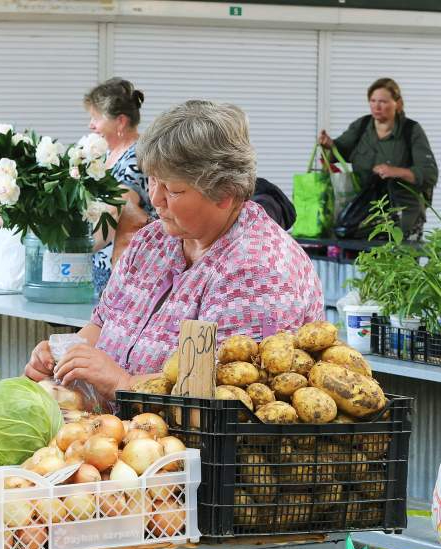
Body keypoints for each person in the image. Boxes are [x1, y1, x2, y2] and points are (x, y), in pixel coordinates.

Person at [25, 100, 324, 400]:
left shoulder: (258, 270)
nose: (155, 198)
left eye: (174, 190)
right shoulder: (152, 241)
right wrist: (65, 355)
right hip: (119, 433)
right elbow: (101, 324)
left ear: (225, 193)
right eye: (152, 180)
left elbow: (229, 394)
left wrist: (123, 383)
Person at [319, 78, 437, 240]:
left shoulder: (411, 131)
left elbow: (429, 173)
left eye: (383, 101)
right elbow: (336, 152)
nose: (377, 106)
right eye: (373, 101)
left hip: (403, 218)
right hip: (365, 215)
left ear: (397, 103)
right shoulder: (361, 126)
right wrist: (327, 145)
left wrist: (395, 171)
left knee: (399, 263)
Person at [83, 78, 156, 295]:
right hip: (102, 262)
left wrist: (79, 250)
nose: (91, 125)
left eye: (96, 118)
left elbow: (118, 209)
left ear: (120, 121)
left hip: (123, 269)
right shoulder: (108, 154)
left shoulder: (135, 158)